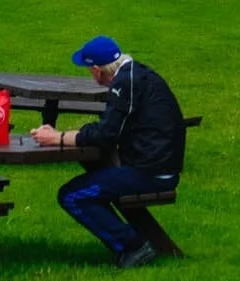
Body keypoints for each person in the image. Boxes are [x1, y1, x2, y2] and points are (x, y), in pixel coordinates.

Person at [33, 35, 187, 269]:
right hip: (158, 166)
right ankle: (135, 242)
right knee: (88, 186)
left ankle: (133, 246)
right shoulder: (137, 75)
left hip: (150, 173)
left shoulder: (124, 84)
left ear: (96, 70)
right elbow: (111, 129)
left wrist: (57, 138)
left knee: (72, 195)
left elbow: (106, 134)